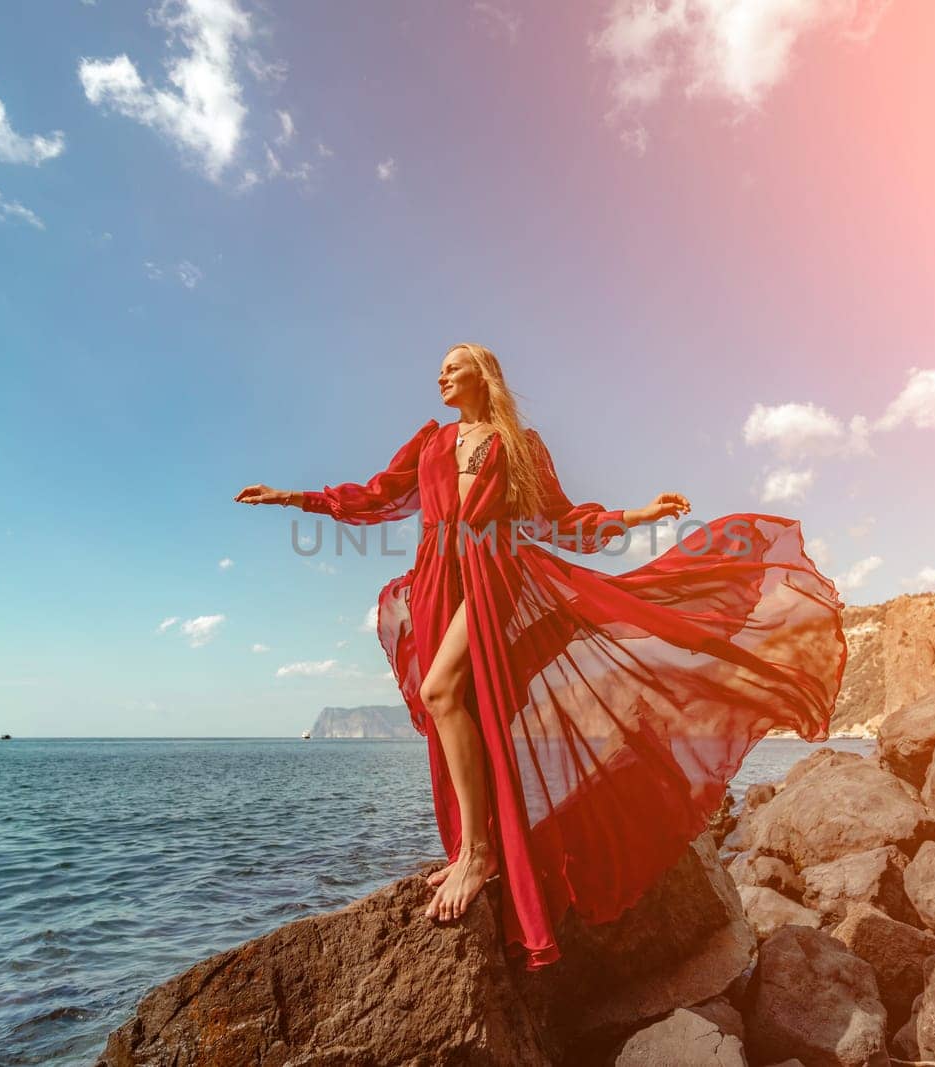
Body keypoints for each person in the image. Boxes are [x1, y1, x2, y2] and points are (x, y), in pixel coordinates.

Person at [236, 343, 846, 970]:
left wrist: (639, 514)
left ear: (484, 374)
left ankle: (479, 855)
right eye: (440, 368)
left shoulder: (520, 446)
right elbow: (374, 496)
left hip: (494, 572)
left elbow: (562, 520)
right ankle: (485, 843)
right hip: (436, 580)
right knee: (467, 708)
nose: (441, 374)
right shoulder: (430, 442)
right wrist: (291, 498)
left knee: (440, 691)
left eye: (454, 365)